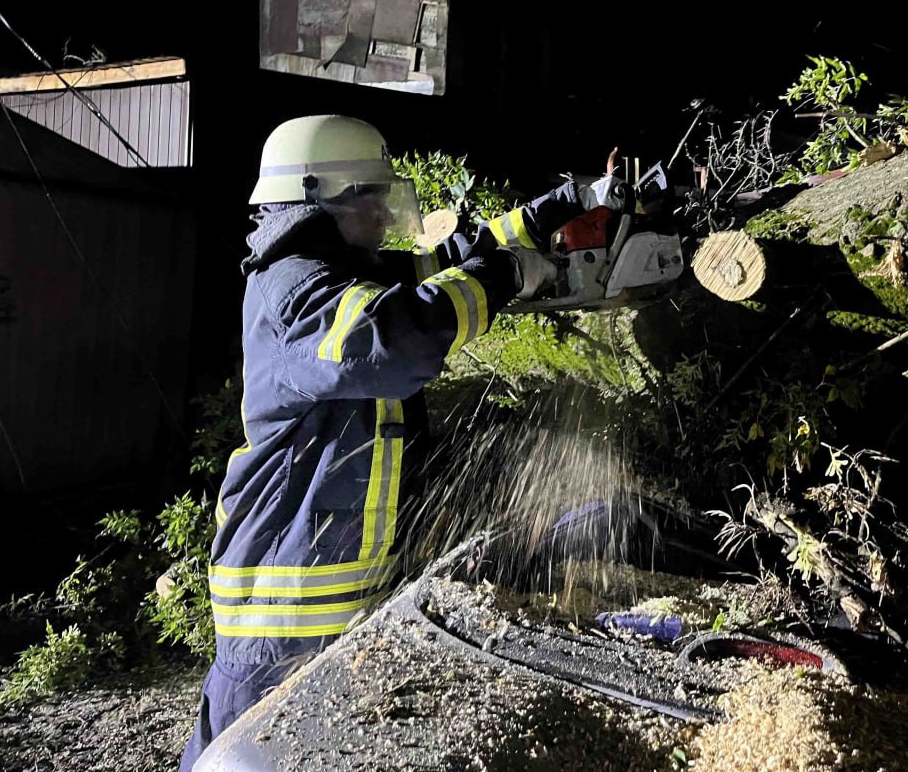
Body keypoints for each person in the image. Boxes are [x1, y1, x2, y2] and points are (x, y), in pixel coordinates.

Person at [180, 115, 622, 770]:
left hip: (331, 606)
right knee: (237, 760)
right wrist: (502, 276)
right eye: (375, 199)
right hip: (278, 618)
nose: (387, 215)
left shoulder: (340, 268)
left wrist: (557, 210)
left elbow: (454, 258)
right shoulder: (297, 292)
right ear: (326, 198)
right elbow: (398, 338)